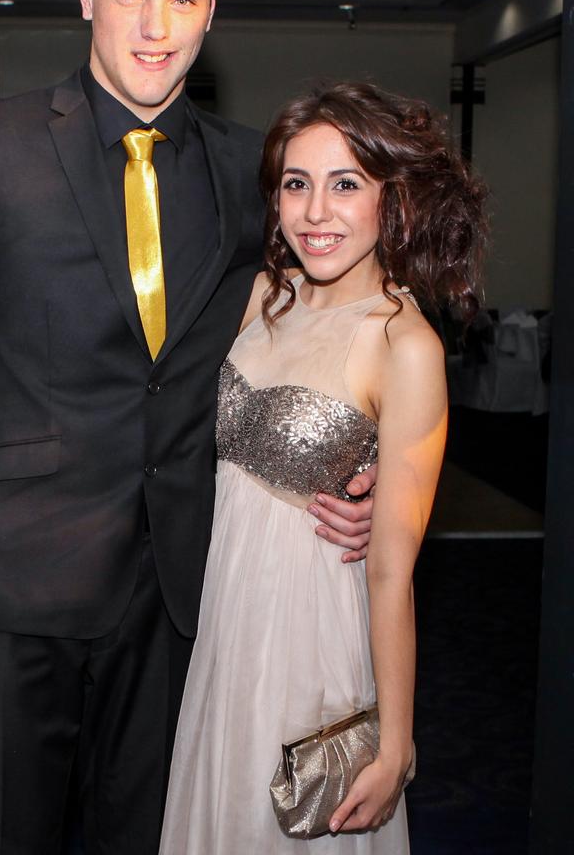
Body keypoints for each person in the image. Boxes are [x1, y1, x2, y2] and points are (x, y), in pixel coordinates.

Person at [0, 0, 376, 855]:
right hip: (10, 596)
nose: (157, 26)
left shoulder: (249, 171)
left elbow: (299, 337)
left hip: (177, 594)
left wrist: (344, 467)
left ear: (211, 7)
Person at [159, 82, 487, 853]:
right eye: (296, 184)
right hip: (225, 615)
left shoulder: (403, 345)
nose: (315, 212)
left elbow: (391, 574)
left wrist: (395, 743)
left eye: (346, 185)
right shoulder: (263, 294)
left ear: (391, 198)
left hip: (307, 633)